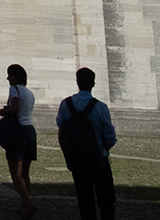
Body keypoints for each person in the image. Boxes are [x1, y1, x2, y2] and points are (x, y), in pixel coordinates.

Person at [55, 68, 117, 220]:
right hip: (99, 157)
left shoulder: (65, 104)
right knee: (106, 199)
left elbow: (61, 131)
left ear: (77, 82)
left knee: (84, 200)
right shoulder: (100, 107)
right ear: (93, 83)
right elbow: (109, 136)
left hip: (77, 158)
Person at [0, 64, 37, 218]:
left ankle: (27, 203)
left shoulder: (14, 89)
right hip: (29, 131)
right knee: (25, 172)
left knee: (15, 173)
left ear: (16, 76)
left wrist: (2, 111)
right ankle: (24, 204)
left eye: (10, 75)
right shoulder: (30, 93)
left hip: (17, 133)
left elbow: (15, 109)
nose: (8, 78)